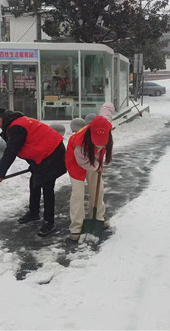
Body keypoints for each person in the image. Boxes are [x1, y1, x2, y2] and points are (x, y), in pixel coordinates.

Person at [0, 108, 66, 237]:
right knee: (35, 182)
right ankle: (34, 213)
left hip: (53, 154)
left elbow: (11, 151)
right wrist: (34, 164)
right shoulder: (18, 122)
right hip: (44, 155)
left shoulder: (16, 127)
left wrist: (0, 173)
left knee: (47, 186)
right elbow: (32, 142)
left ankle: (49, 222)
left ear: (4, 117)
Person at [65, 103, 114, 242]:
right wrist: (97, 166)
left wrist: (109, 105)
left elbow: (107, 110)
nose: (100, 146)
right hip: (76, 163)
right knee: (78, 195)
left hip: (94, 160)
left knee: (98, 190)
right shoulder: (80, 142)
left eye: (102, 144)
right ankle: (76, 227)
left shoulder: (106, 124)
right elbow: (83, 162)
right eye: (97, 143)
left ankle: (98, 218)